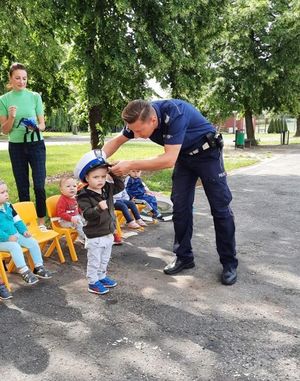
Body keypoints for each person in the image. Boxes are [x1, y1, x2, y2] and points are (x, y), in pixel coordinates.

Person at [103, 99, 238, 285]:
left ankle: (229, 262)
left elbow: (168, 160)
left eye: (139, 131)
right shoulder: (139, 116)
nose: (135, 135)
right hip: (184, 157)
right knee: (180, 208)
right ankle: (184, 257)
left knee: (220, 208)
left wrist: (131, 164)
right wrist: (95, 162)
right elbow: (117, 140)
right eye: (133, 130)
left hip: (208, 154)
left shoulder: (175, 114)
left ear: (152, 120)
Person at [0, 62, 47, 230]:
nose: (21, 81)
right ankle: (27, 223)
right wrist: (12, 117)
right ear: (11, 79)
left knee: (40, 185)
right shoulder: (4, 100)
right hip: (17, 147)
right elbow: (5, 130)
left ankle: (41, 222)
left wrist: (35, 127)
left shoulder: (35, 96)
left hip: (36, 144)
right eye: (18, 78)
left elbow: (42, 125)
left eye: (24, 78)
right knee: (22, 186)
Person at [74, 150, 124, 295]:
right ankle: (92, 282)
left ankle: (101, 277)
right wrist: (98, 208)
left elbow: (120, 187)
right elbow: (88, 215)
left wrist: (114, 174)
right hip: (95, 235)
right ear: (86, 178)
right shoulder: (83, 196)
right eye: (96, 177)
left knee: (105, 258)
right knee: (95, 260)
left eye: (103, 176)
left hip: (108, 231)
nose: (100, 180)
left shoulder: (106, 188)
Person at [0, 179, 52, 285]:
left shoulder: (8, 206)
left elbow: (17, 221)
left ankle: (38, 267)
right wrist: (7, 238)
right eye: (2, 192)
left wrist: (24, 231)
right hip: (2, 241)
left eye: (6, 191)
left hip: (14, 235)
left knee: (32, 241)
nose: (6, 194)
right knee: (15, 247)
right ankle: (23, 271)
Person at [56, 176, 86, 244]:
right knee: (78, 222)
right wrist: (71, 218)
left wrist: (82, 213)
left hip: (75, 217)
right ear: (61, 190)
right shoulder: (62, 200)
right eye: (68, 186)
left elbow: (77, 208)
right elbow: (60, 213)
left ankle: (88, 234)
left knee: (85, 220)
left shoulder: (74, 198)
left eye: (74, 186)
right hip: (64, 221)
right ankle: (84, 238)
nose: (72, 188)